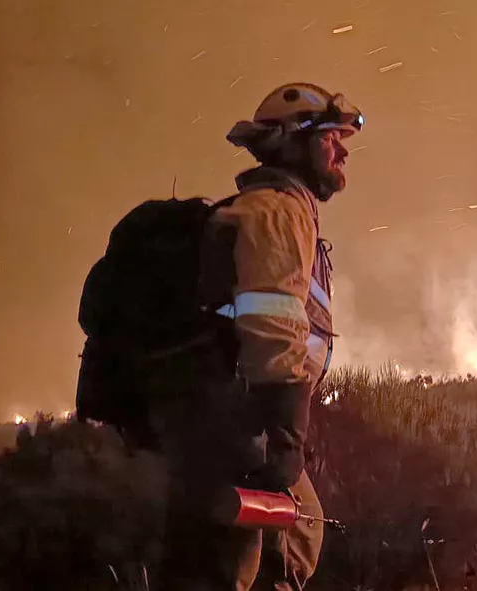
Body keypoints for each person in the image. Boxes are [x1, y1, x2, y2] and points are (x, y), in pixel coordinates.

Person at [153, 81, 362, 590]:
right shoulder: (276, 210)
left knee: (292, 534)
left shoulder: (278, 207)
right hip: (237, 417)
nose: (343, 149)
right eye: (329, 137)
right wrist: (286, 433)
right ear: (293, 141)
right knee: (244, 560)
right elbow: (271, 322)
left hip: (229, 413)